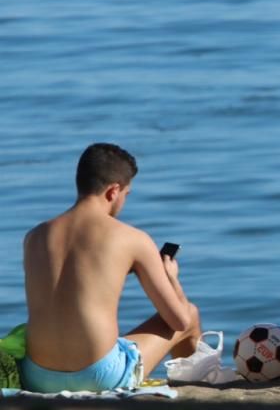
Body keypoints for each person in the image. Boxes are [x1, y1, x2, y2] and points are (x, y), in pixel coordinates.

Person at [21, 143, 201, 392]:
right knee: (190, 315)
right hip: (99, 376)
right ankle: (196, 390)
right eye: (126, 194)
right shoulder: (132, 238)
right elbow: (177, 320)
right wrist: (171, 278)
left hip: (36, 376)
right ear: (114, 191)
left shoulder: (35, 236)